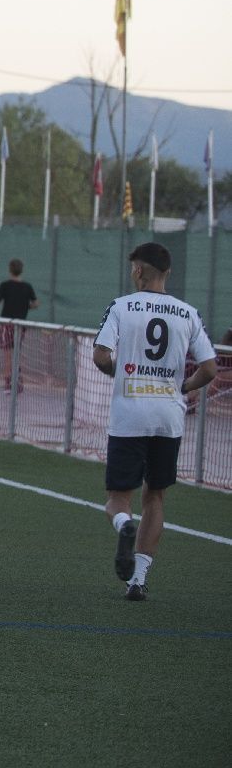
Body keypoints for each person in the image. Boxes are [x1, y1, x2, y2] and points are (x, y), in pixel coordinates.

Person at [92, 242, 216, 601]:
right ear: (168, 273)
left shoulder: (122, 306)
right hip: (168, 414)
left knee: (118, 497)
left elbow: (101, 356)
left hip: (131, 412)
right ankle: (139, 579)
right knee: (156, 495)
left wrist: (119, 374)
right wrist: (183, 387)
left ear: (138, 271)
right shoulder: (188, 312)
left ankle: (123, 525)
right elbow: (209, 369)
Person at [0, 259, 38, 388]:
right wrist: (25, 306)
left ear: (10, 270)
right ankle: (18, 380)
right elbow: (35, 303)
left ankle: (8, 382)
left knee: (7, 354)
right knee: (17, 352)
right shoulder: (27, 287)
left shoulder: (5, 285)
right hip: (20, 325)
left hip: (7, 323)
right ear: (21, 270)